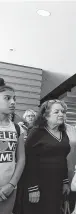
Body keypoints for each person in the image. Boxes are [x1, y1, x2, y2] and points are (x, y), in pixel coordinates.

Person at [23, 99, 71, 214]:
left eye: (63, 111)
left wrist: (65, 181)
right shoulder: (36, 132)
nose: (61, 114)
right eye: (57, 112)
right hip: (38, 184)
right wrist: (32, 188)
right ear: (45, 115)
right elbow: (28, 160)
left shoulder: (63, 132)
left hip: (56, 184)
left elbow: (63, 158)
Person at [0, 78, 25, 214]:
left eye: (14, 99)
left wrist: (11, 185)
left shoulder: (17, 128)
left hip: (9, 188)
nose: (13, 102)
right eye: (7, 98)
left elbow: (21, 159)